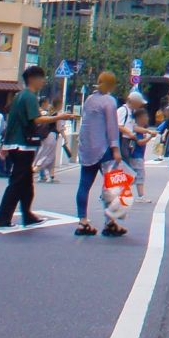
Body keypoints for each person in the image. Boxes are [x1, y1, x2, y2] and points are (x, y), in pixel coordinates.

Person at [0, 65, 60, 227]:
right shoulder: (29, 96)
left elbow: (12, 122)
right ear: (32, 79)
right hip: (23, 145)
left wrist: (5, 145)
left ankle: (27, 215)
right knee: (18, 182)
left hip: (17, 144)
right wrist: (59, 117)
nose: (43, 81)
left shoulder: (19, 96)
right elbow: (36, 119)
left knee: (26, 182)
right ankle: (2, 218)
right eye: (41, 78)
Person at [73, 73, 126, 237]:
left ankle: (82, 222)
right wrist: (116, 149)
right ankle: (110, 223)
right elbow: (112, 127)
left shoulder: (89, 100)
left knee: (84, 185)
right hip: (105, 150)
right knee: (113, 186)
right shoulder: (109, 101)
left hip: (88, 149)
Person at [34, 99, 66, 184]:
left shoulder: (48, 113)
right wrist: (65, 138)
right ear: (59, 105)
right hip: (52, 136)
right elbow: (60, 128)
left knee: (44, 154)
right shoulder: (58, 115)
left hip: (45, 136)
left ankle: (47, 176)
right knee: (48, 157)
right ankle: (35, 170)